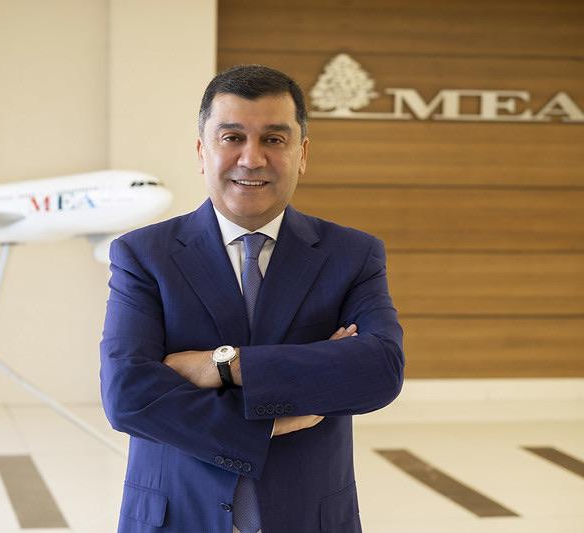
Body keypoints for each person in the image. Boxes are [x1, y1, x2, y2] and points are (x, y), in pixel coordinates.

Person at [100, 64, 404, 533]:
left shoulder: (352, 255)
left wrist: (221, 366)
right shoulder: (143, 255)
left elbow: (378, 371)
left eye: (274, 139)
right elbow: (127, 395)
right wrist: (270, 420)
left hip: (309, 519)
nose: (252, 158)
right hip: (176, 518)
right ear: (202, 152)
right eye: (232, 138)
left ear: (302, 154)